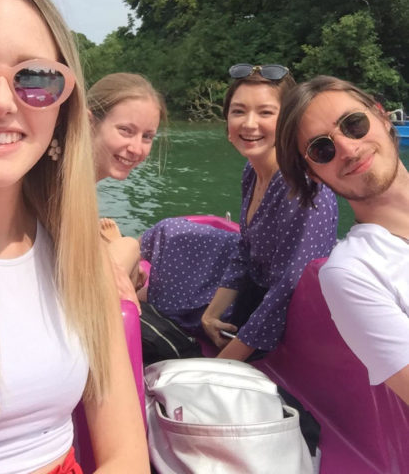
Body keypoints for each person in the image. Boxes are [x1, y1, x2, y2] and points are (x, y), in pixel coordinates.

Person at [0, 0, 149, 473]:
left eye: (35, 78)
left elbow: (125, 457)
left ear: (64, 109)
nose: (0, 101)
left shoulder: (75, 251)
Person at [141, 64, 338, 362]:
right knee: (170, 234)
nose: (249, 124)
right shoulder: (253, 171)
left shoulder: (304, 190)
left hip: (283, 322)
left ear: (289, 121)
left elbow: (287, 293)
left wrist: (222, 367)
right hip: (252, 294)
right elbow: (245, 249)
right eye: (238, 111)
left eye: (265, 113)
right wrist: (211, 315)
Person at [276, 75, 409, 406]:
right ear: (312, 173)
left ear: (380, 115)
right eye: (322, 149)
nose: (349, 149)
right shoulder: (353, 272)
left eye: (354, 124)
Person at [87, 72, 167, 307]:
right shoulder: (63, 183)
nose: (136, 148)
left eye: (147, 136)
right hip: (77, 304)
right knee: (129, 245)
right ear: (89, 122)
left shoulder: (78, 182)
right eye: (126, 130)